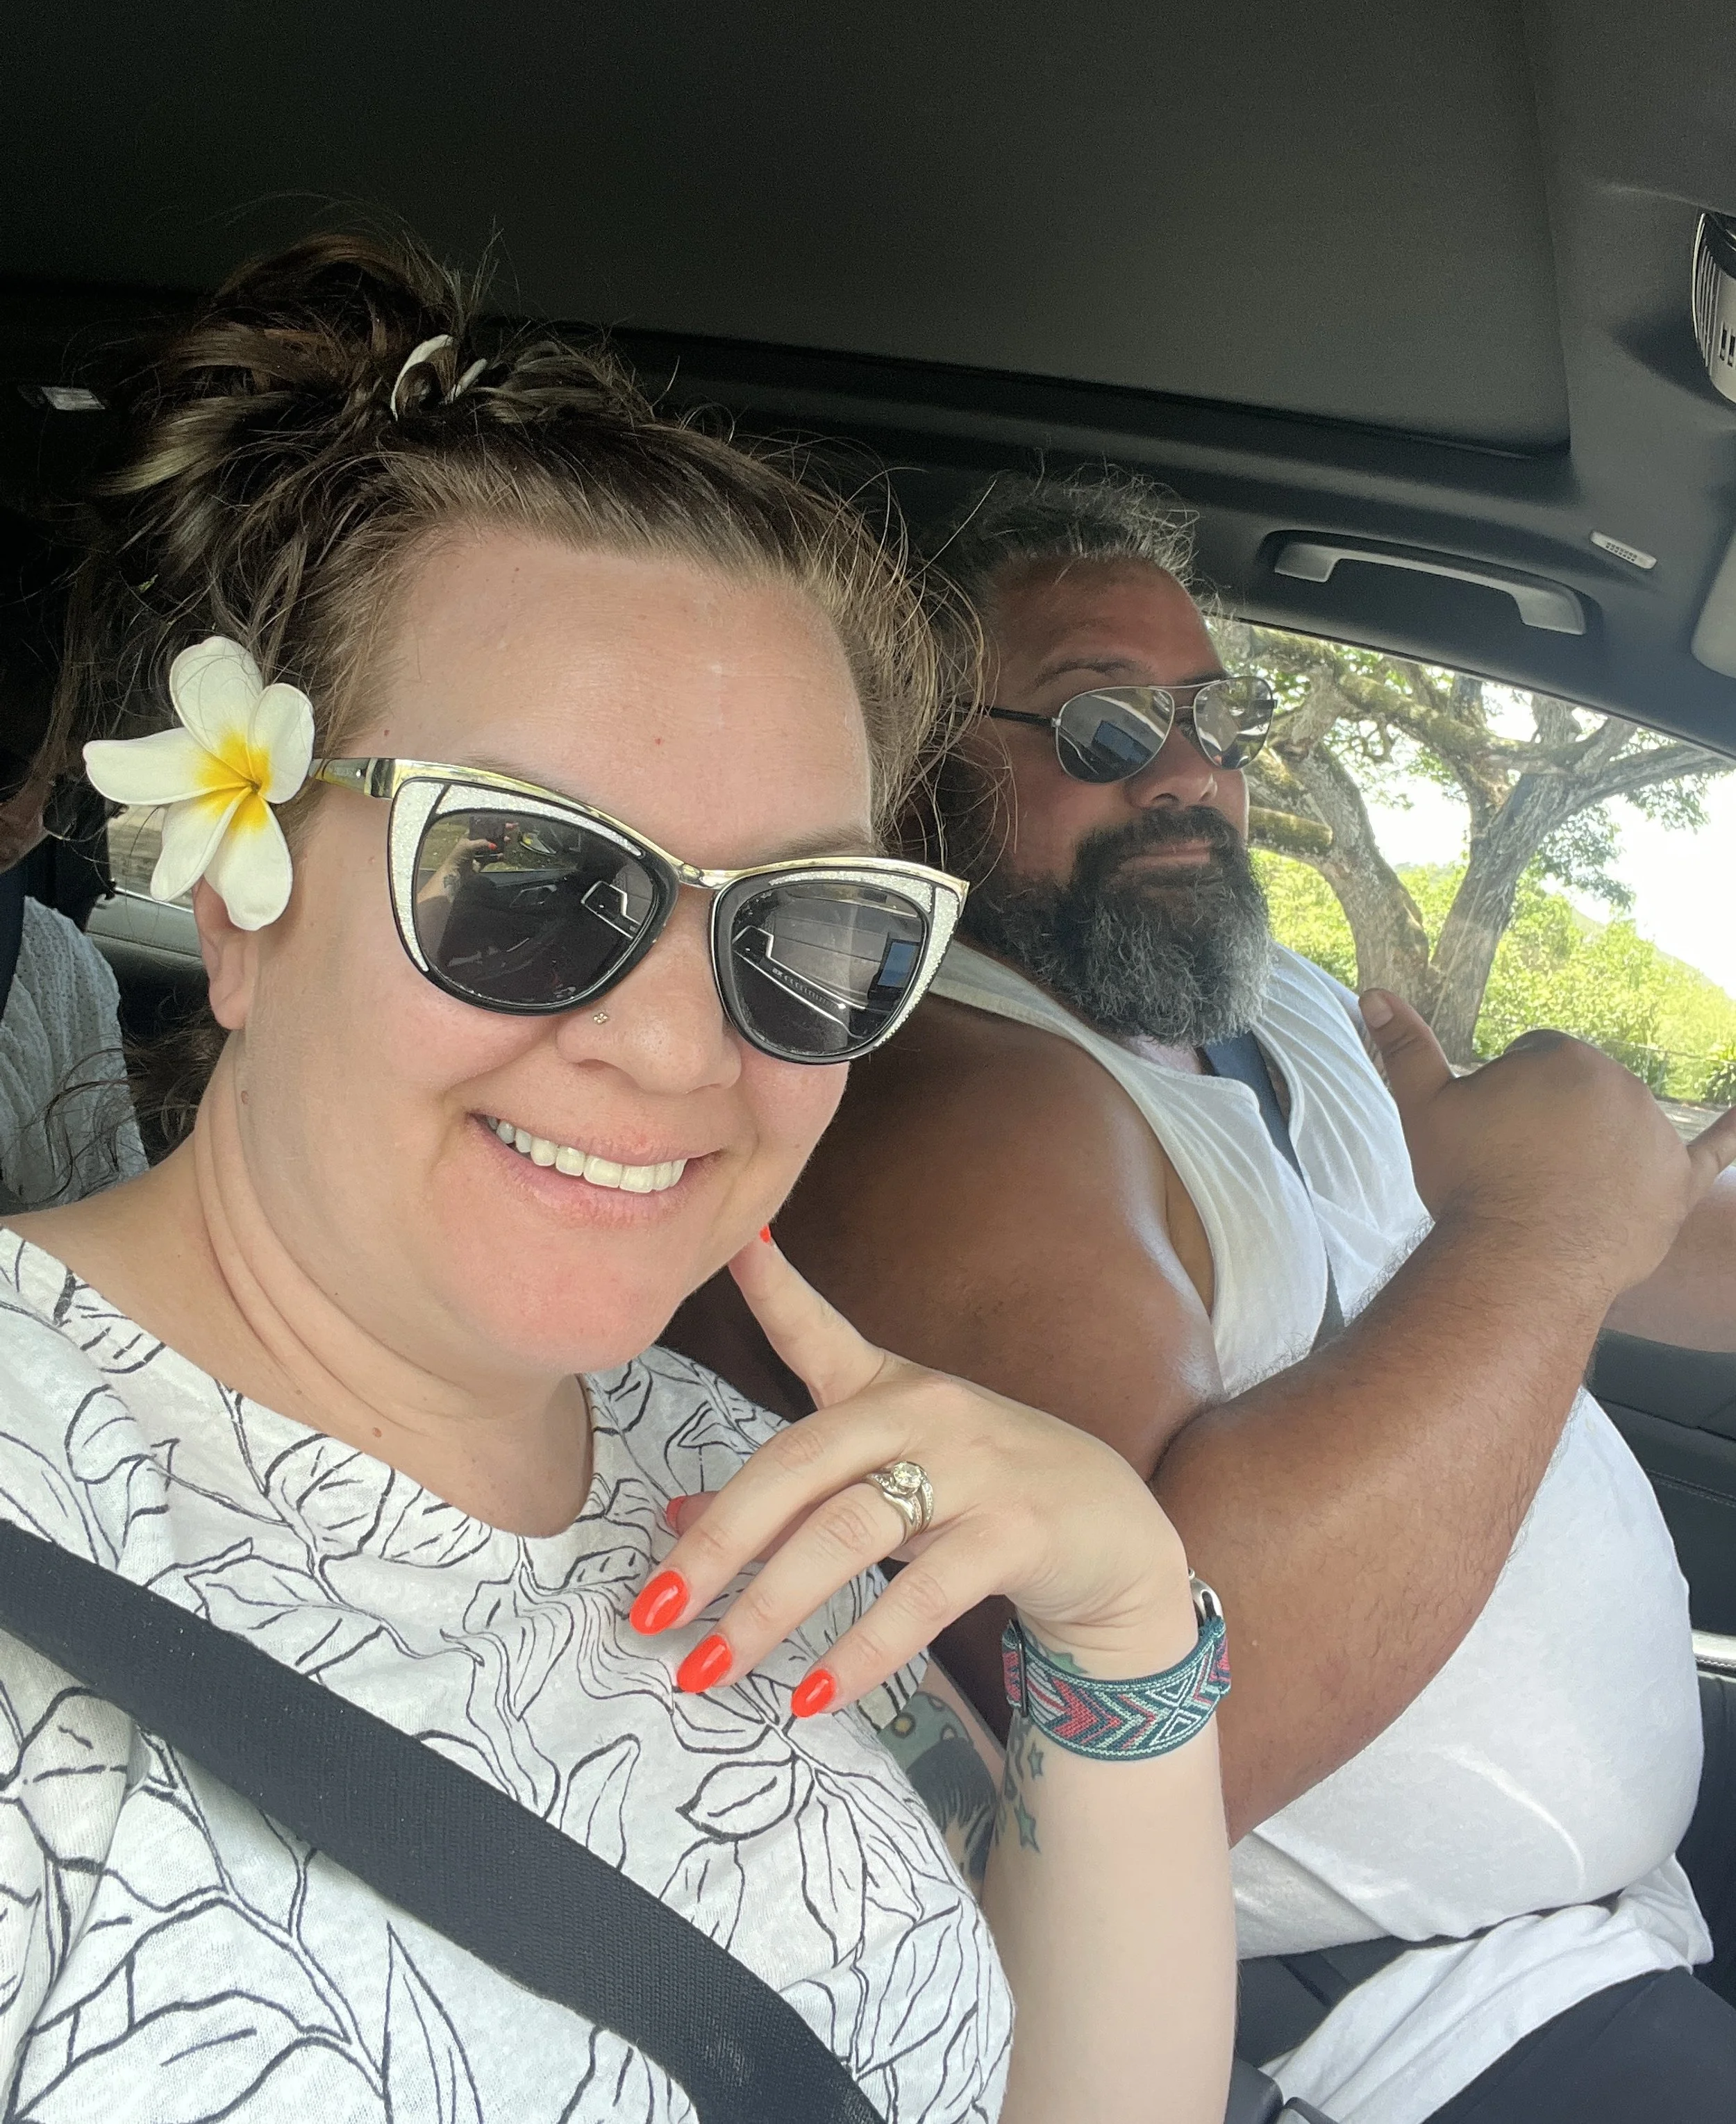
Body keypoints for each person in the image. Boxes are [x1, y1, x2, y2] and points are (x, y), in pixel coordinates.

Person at [0, 242, 1242, 2124]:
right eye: (518, 874)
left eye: (806, 924)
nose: (679, 1050)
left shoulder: (746, 1481)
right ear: (240, 904)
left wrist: (1124, 1622)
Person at [668, 470, 1736, 2124]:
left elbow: (1611, 1228)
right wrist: (1535, 1225)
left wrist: (1578, 1208)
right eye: (1100, 729)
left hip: (1591, 1944)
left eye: (1209, 722)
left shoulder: (1268, 999)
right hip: (1392, 2045)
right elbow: (1157, 1743)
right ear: (912, 758)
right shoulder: (972, 1109)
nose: (1190, 781)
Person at [0, 510, 144, 1211]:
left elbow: (106, 1204)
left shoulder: (56, 966)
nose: (26, 821)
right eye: (5, 766)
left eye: (65, 792)